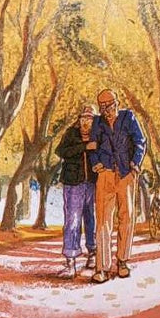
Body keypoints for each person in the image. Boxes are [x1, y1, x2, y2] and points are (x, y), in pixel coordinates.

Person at [88, 89, 147, 282]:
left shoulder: (128, 117)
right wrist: (96, 162)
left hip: (126, 173)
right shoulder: (97, 122)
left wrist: (135, 163)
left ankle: (122, 261)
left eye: (110, 105)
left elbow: (140, 142)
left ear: (117, 103)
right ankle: (102, 268)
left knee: (126, 217)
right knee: (103, 221)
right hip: (105, 173)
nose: (107, 110)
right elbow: (92, 146)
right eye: (103, 107)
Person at [54, 103, 98, 279]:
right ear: (79, 119)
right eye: (84, 118)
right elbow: (60, 151)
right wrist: (84, 147)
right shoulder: (71, 133)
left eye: (90, 118)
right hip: (73, 183)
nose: (86, 121)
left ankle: (92, 253)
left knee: (91, 218)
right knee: (72, 220)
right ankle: (70, 261)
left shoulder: (98, 135)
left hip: (93, 182)